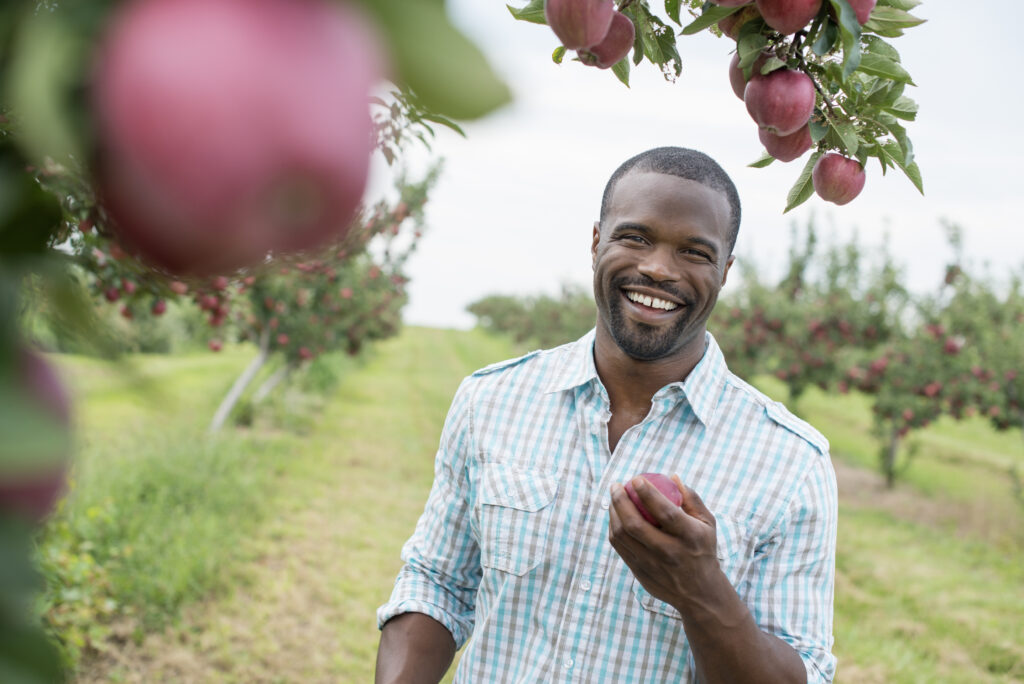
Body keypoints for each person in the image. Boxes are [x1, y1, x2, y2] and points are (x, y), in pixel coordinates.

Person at [375, 146, 837, 683]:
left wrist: (701, 589)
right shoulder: (492, 401)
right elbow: (437, 583)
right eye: (635, 237)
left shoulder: (791, 463)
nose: (657, 268)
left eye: (694, 251)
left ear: (725, 271)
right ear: (596, 241)